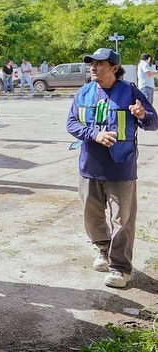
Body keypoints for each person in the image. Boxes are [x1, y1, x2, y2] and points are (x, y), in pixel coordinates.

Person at [67, 48, 157, 288]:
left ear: (114, 68)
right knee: (91, 215)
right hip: (89, 166)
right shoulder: (84, 92)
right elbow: (72, 123)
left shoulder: (130, 92)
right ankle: (103, 249)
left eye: (99, 64)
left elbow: (153, 121)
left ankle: (120, 268)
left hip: (121, 167)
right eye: (91, 64)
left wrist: (142, 114)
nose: (93, 68)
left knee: (123, 220)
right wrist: (94, 134)